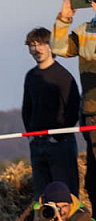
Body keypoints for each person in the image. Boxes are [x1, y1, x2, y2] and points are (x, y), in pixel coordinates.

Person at [22, 27, 81, 197]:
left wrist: (60, 136)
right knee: (42, 196)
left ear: (51, 46)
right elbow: (27, 108)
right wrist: (31, 135)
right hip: (37, 143)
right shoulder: (31, 76)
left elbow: (73, 108)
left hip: (60, 144)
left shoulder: (63, 76)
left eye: (41, 44)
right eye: (33, 45)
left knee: (66, 195)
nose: (37, 49)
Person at [52, 0, 96, 202]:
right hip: (92, 113)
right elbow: (59, 48)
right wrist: (64, 19)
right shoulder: (84, 31)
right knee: (93, 179)